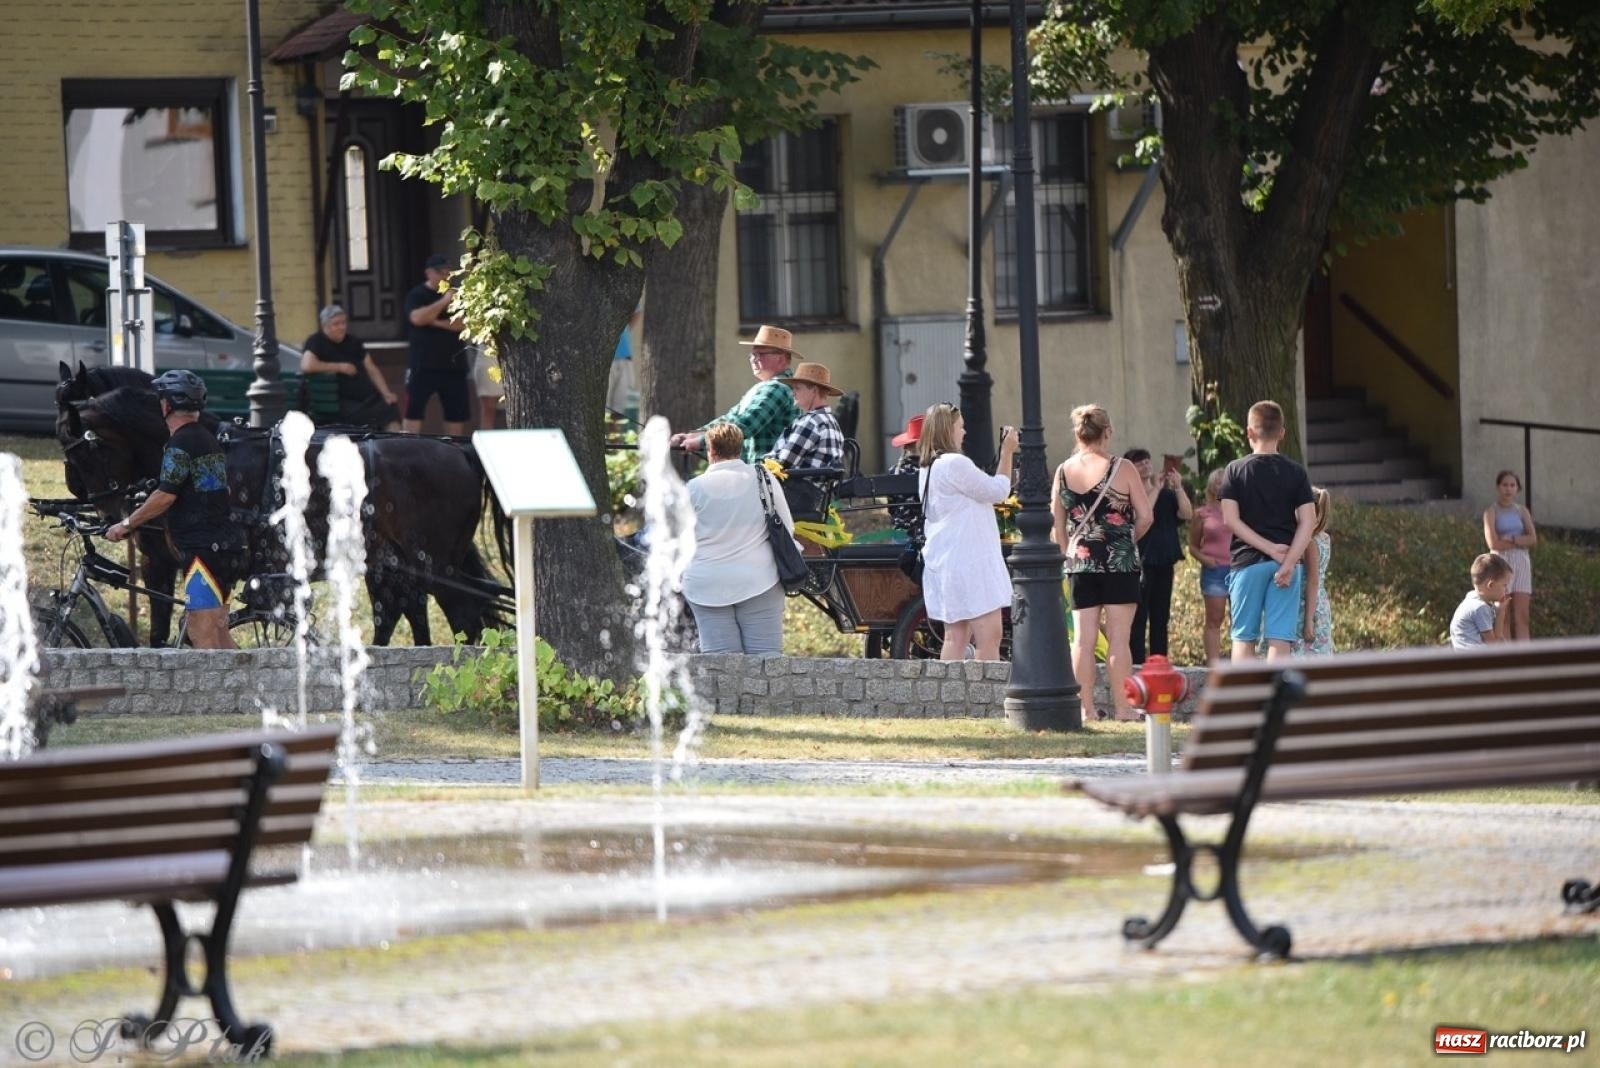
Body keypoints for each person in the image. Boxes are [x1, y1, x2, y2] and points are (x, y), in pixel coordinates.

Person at [106, 370, 243, 650]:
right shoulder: (206, 439)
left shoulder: (180, 443)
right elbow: (219, 491)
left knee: (201, 633)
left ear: (166, 405)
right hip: (223, 548)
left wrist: (126, 524)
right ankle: (247, 680)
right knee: (219, 634)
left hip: (203, 551)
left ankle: (219, 683)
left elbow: (165, 496)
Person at [1052, 404, 1151, 721]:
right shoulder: (1123, 468)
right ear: (1107, 432)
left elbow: (1057, 526)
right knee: (1119, 639)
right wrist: (1124, 540)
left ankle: (1085, 709)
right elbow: (1146, 516)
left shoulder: (1063, 471)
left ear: (1078, 433)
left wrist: (1070, 554)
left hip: (1081, 564)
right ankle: (1124, 708)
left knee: (1083, 640)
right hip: (1119, 562)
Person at [683, 423, 796, 654]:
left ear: (710, 450)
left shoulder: (693, 488)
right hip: (760, 578)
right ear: (740, 448)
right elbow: (787, 526)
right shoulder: (763, 478)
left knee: (720, 663)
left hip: (707, 583)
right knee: (766, 660)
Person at [917, 404, 1018, 661]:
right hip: (971, 562)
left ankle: (951, 689)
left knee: (956, 637)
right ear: (947, 430)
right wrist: (1007, 452)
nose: (964, 432)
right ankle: (985, 689)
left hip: (947, 561)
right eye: (960, 426)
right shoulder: (955, 463)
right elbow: (998, 491)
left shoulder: (929, 467)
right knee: (989, 637)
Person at [1219, 400, 1316, 662]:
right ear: (1282, 433)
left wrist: (1268, 548)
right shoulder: (1296, 473)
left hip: (1246, 562)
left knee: (1243, 639)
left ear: (1249, 432)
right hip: (1286, 563)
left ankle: (1246, 690)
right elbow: (1308, 521)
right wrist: (1289, 561)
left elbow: (1230, 520)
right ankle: (1276, 690)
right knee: (1280, 640)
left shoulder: (1235, 470)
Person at [669, 325, 801, 463]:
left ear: (781, 358)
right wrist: (694, 435)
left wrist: (700, 441)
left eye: (760, 354)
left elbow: (745, 425)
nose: (753, 359)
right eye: (752, 354)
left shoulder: (777, 388)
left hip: (769, 472)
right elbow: (731, 418)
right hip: (762, 471)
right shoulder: (768, 387)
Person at [1125, 447, 1192, 665]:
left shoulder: (1166, 495)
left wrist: (1178, 487)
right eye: (1139, 463)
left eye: (1147, 461)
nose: (1145, 465)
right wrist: (1155, 488)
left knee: (1161, 617)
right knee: (1138, 617)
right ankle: (1136, 663)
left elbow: (1186, 514)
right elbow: (1144, 514)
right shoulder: (1130, 496)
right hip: (1140, 562)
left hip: (1164, 561)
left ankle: (1159, 664)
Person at [299, 304, 400, 430]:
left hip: (367, 398)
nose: (342, 327)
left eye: (343, 323)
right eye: (336, 324)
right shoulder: (316, 341)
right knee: (370, 415)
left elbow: (372, 369)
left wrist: (386, 393)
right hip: (339, 403)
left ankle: (394, 441)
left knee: (390, 407)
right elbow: (307, 365)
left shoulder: (353, 342)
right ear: (325, 326)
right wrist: (340, 367)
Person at [403, 253, 469, 436]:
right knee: (413, 411)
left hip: (454, 365)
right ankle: (408, 448)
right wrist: (444, 301)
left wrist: (435, 322)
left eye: (448, 272)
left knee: (455, 415)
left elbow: (464, 324)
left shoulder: (458, 295)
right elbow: (417, 318)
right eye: (440, 272)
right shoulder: (417, 295)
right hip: (423, 364)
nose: (445, 276)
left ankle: (453, 449)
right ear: (429, 273)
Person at [1483, 469, 1537, 641]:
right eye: (1505, 485)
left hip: (1521, 562)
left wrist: (1512, 539)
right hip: (1500, 563)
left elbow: (1532, 538)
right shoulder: (1491, 512)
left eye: (1512, 485)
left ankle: (1525, 653)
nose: (1508, 489)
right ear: (1498, 487)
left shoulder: (1522, 511)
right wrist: (1520, 541)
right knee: (1503, 614)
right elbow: (1493, 543)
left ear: (1517, 489)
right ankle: (1506, 652)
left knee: (1523, 615)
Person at [1188, 468, 1232, 665]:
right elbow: (1192, 546)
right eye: (1218, 482)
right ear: (1211, 486)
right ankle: (1214, 666)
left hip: (1239, 570)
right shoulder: (1202, 514)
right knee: (1214, 619)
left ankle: (1241, 663)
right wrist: (1206, 560)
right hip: (1214, 571)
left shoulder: (1240, 510)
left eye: (1225, 481)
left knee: (1242, 621)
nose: (1221, 485)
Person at [1298, 487, 1334, 655]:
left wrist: (1308, 620)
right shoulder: (1325, 538)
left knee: (1306, 651)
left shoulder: (1310, 542)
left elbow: (1312, 580)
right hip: (1321, 600)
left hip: (1308, 603)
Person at [1450, 552, 1513, 648]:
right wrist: (1500, 612)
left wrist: (1500, 611)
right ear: (1491, 585)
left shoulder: (1472, 598)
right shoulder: (1480, 608)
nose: (1507, 590)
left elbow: (1497, 638)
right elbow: (1493, 645)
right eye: (1504, 585)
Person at [887, 414, 924, 539]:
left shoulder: (894, 471)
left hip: (900, 535)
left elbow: (891, 508)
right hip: (924, 535)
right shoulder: (930, 470)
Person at [606, 304, 643, 416]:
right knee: (603, 406)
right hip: (604, 361)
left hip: (625, 357)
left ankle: (616, 428)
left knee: (622, 407)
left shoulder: (623, 294)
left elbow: (637, 311)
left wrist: (625, 330)